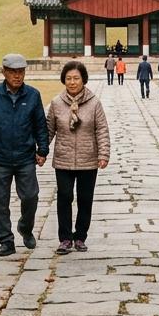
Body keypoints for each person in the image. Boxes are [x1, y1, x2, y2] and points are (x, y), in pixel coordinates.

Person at [0, 53, 48, 256]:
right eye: (13, 72)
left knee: (31, 196)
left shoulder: (33, 95)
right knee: (0, 201)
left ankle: (25, 227)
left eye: (21, 72)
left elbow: (41, 125)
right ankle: (6, 240)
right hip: (0, 157)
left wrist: (43, 150)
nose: (17, 76)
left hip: (25, 156)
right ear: (4, 72)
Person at [46, 61, 110, 254]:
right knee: (64, 197)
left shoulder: (94, 102)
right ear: (63, 80)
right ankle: (65, 238)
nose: (72, 82)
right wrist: (40, 151)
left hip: (88, 158)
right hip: (63, 158)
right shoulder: (57, 103)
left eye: (76, 78)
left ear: (83, 80)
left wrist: (103, 153)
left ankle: (80, 236)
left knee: (85, 198)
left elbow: (102, 130)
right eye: (68, 78)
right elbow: (48, 130)